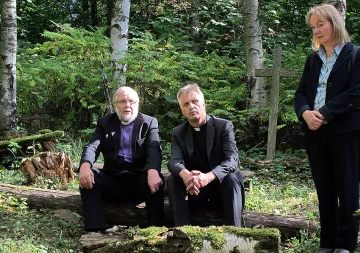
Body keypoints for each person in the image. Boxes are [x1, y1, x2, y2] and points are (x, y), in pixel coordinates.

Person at [294, 4, 360, 253]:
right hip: (316, 132)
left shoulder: (358, 56)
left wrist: (324, 113)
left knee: (347, 189)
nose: (316, 30)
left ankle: (345, 245)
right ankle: (327, 244)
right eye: (313, 27)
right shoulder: (312, 59)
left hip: (346, 132)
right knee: (324, 189)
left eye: (321, 24)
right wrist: (305, 113)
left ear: (335, 23)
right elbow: (300, 94)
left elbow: (356, 94)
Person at [78, 86, 164, 232]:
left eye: (132, 101)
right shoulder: (105, 123)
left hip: (139, 182)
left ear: (138, 104)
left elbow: (154, 150)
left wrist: (153, 170)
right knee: (90, 177)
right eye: (122, 101)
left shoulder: (149, 122)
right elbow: (92, 147)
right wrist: (85, 165)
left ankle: (155, 231)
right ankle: (95, 230)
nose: (127, 105)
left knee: (155, 178)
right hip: (113, 181)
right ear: (115, 104)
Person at [168, 84, 244, 227]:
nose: (191, 106)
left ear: (203, 104)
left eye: (195, 101)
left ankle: (235, 235)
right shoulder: (179, 132)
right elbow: (173, 161)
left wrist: (208, 177)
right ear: (182, 110)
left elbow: (232, 160)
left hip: (222, 192)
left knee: (232, 178)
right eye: (186, 104)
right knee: (173, 180)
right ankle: (182, 231)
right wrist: (186, 175)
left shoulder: (223, 126)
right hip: (195, 192)